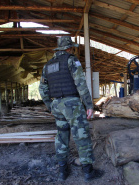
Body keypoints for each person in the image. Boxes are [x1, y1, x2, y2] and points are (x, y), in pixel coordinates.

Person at [39, 36, 104, 181]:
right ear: (69, 48)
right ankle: (88, 172)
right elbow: (81, 83)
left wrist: (50, 106)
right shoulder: (71, 60)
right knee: (81, 136)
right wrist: (88, 105)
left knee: (61, 136)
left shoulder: (47, 66)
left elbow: (42, 89)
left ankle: (63, 171)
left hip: (57, 105)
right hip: (72, 104)